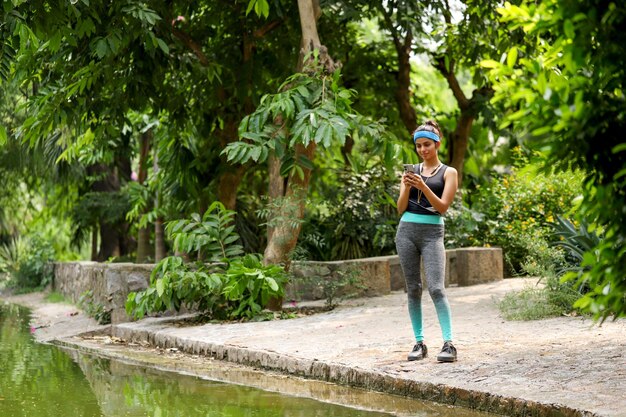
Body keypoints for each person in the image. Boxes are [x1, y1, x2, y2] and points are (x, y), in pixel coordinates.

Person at [395, 120, 459, 362]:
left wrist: (423, 186)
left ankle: (449, 344)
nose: (423, 150)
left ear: (437, 144)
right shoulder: (412, 172)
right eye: (419, 146)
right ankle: (419, 343)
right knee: (413, 288)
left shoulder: (449, 172)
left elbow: (442, 207)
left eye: (427, 145)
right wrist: (406, 186)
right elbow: (401, 208)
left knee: (436, 288)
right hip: (406, 232)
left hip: (433, 234)